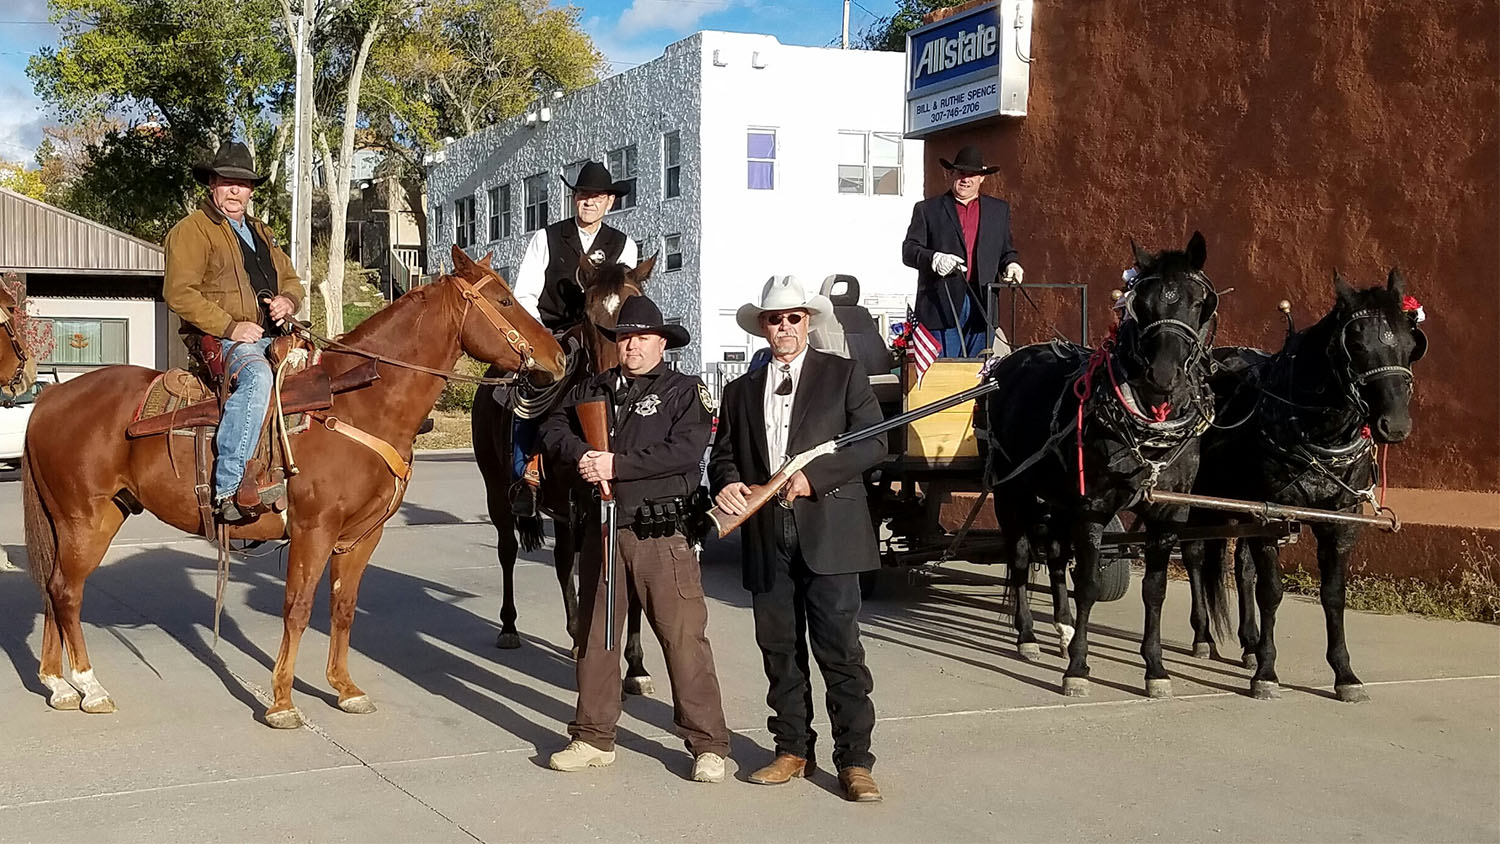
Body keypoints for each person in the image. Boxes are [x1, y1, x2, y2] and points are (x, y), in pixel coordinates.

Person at [539, 294, 731, 783]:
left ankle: (708, 745)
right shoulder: (592, 388)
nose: (632, 346)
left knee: (683, 639)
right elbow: (553, 428)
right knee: (597, 639)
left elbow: (686, 452)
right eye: (625, 337)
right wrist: (583, 454)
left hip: (661, 536)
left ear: (662, 342)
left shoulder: (685, 392)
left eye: (642, 337)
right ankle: (592, 737)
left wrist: (616, 465)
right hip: (602, 532)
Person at [708, 275, 886, 803]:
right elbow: (723, 455)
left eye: (793, 317)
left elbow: (874, 443)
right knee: (779, 650)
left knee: (840, 651)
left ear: (807, 321)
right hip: (766, 534)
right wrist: (729, 483)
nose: (784, 326)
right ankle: (791, 750)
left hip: (831, 531)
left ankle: (854, 761)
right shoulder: (740, 390)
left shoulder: (845, 374)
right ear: (763, 326)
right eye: (774, 318)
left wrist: (815, 478)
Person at [163, 141, 304, 522]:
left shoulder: (262, 232)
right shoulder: (192, 231)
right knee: (257, 378)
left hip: (275, 334)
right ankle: (229, 486)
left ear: (251, 190)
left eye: (241, 185)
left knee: (327, 372)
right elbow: (178, 292)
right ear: (212, 184)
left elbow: (291, 279)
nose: (234, 191)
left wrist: (288, 301)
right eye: (227, 182)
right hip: (220, 338)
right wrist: (230, 326)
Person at [506, 160, 640, 517]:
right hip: (556, 334)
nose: (588, 202)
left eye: (596, 196)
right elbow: (525, 296)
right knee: (530, 392)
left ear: (610, 201)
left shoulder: (624, 245)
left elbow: (625, 299)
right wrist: (542, 339)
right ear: (574, 198)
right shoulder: (546, 238)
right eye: (582, 195)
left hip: (605, 335)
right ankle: (528, 472)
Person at [900, 145, 1023, 358]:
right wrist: (934, 259)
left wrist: (1011, 264)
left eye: (972, 175)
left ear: (982, 178)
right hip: (941, 303)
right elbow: (909, 251)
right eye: (961, 173)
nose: (966, 179)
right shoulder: (928, 209)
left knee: (976, 372)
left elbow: (1005, 250)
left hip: (983, 302)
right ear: (951, 174)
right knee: (944, 372)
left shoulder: (998, 210)